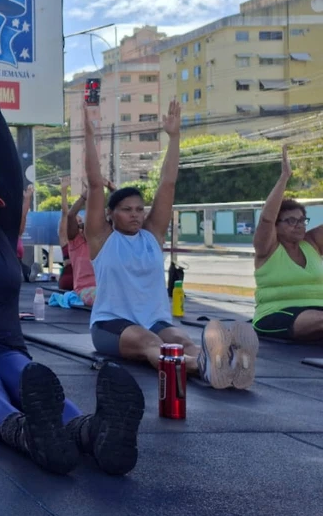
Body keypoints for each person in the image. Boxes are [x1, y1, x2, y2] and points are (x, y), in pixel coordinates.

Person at [0, 70, 143, 477]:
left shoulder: (2, 234)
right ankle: (24, 433)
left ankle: (91, 432)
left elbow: (10, 171)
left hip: (5, 348)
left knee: (30, 378)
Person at [84, 103, 258, 389]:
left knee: (182, 341)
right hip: (110, 325)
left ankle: (224, 365)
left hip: (155, 320)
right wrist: (89, 136)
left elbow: (168, 184)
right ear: (110, 214)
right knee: (151, 342)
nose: (135, 215)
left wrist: (174, 137)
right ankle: (207, 365)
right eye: (126, 210)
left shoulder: (152, 236)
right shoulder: (102, 239)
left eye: (139, 209)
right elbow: (94, 185)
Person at [252, 146, 323, 342]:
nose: (298, 225)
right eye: (291, 221)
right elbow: (266, 219)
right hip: (276, 314)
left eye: (302, 220)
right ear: (276, 226)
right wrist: (284, 177)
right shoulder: (267, 249)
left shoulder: (312, 244)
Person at [59, 178, 97, 306]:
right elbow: (67, 214)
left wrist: (97, 192)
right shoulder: (75, 242)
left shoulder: (98, 242)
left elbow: (98, 215)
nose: (80, 223)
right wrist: (65, 191)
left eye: (81, 221)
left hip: (99, 286)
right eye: (78, 222)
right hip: (75, 282)